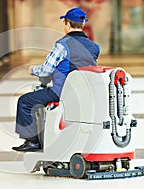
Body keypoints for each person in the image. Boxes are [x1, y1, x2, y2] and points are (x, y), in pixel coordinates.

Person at [12, 7, 100, 152]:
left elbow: (46, 70)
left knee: (25, 101)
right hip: (83, 92)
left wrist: (33, 69)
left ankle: (32, 141)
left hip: (61, 92)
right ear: (83, 24)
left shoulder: (62, 45)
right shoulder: (94, 47)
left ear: (67, 24)